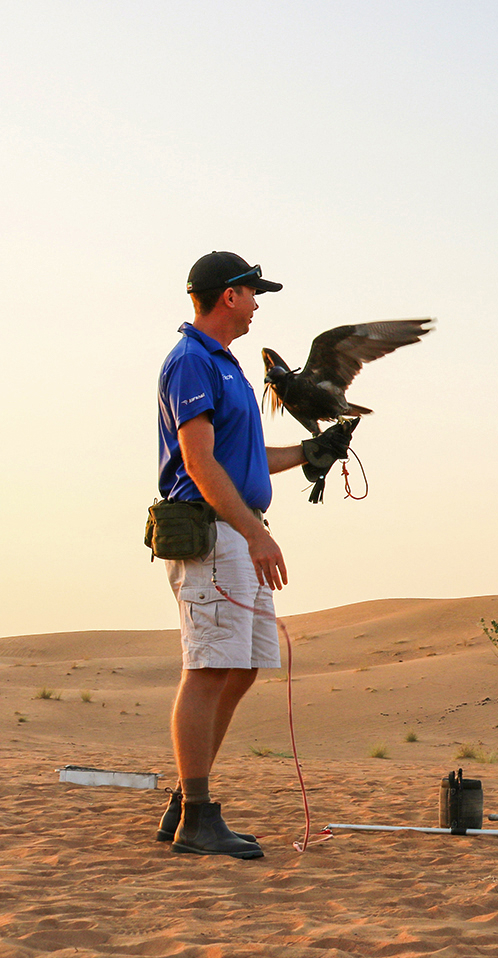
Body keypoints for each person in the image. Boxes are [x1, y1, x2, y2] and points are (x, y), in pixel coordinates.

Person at [155, 251, 351, 859]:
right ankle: (197, 816)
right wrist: (255, 533)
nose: (258, 304)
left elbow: (244, 459)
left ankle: (187, 798)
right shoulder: (191, 361)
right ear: (227, 296)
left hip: (238, 530)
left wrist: (310, 452)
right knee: (209, 668)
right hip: (213, 533)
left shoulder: (230, 367)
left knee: (240, 668)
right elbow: (200, 462)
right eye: (251, 293)